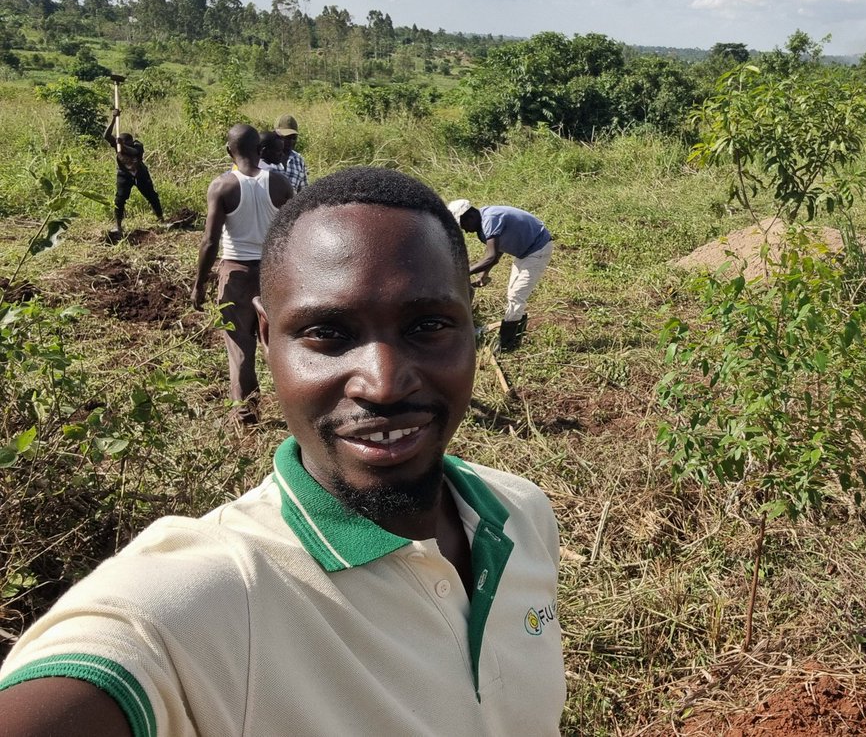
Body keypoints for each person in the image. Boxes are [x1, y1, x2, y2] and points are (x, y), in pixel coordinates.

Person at [0, 167, 566, 736]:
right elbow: (106, 659)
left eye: (428, 324)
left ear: (472, 328)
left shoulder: (520, 514)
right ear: (267, 341)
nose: (384, 383)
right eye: (327, 333)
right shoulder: (211, 600)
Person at [191, 124, 293, 426]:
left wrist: (199, 284)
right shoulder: (280, 183)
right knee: (278, 344)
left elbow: (210, 241)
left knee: (239, 347)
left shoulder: (223, 186)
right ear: (260, 150)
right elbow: (293, 230)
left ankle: (247, 415)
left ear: (228, 151)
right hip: (273, 273)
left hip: (235, 273)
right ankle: (297, 409)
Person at [447, 200, 553, 351]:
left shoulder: (490, 219)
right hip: (525, 252)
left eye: (464, 226)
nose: (466, 231)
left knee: (516, 295)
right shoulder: (484, 225)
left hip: (538, 249)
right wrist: (484, 273)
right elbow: (497, 251)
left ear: (469, 215)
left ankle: (507, 345)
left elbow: (491, 257)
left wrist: (462, 273)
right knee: (513, 294)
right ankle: (516, 334)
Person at [103, 108, 164, 237]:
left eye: (125, 144)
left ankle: (161, 219)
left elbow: (133, 152)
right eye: (121, 145)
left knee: (152, 196)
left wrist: (123, 146)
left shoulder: (137, 145)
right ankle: (118, 226)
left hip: (140, 173)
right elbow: (106, 136)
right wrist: (114, 119)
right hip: (124, 174)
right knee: (119, 200)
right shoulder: (117, 144)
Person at [273, 113, 309, 192]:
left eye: (294, 138)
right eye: (287, 138)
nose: (291, 141)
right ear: (276, 135)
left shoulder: (299, 160)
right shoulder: (264, 158)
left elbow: (304, 192)